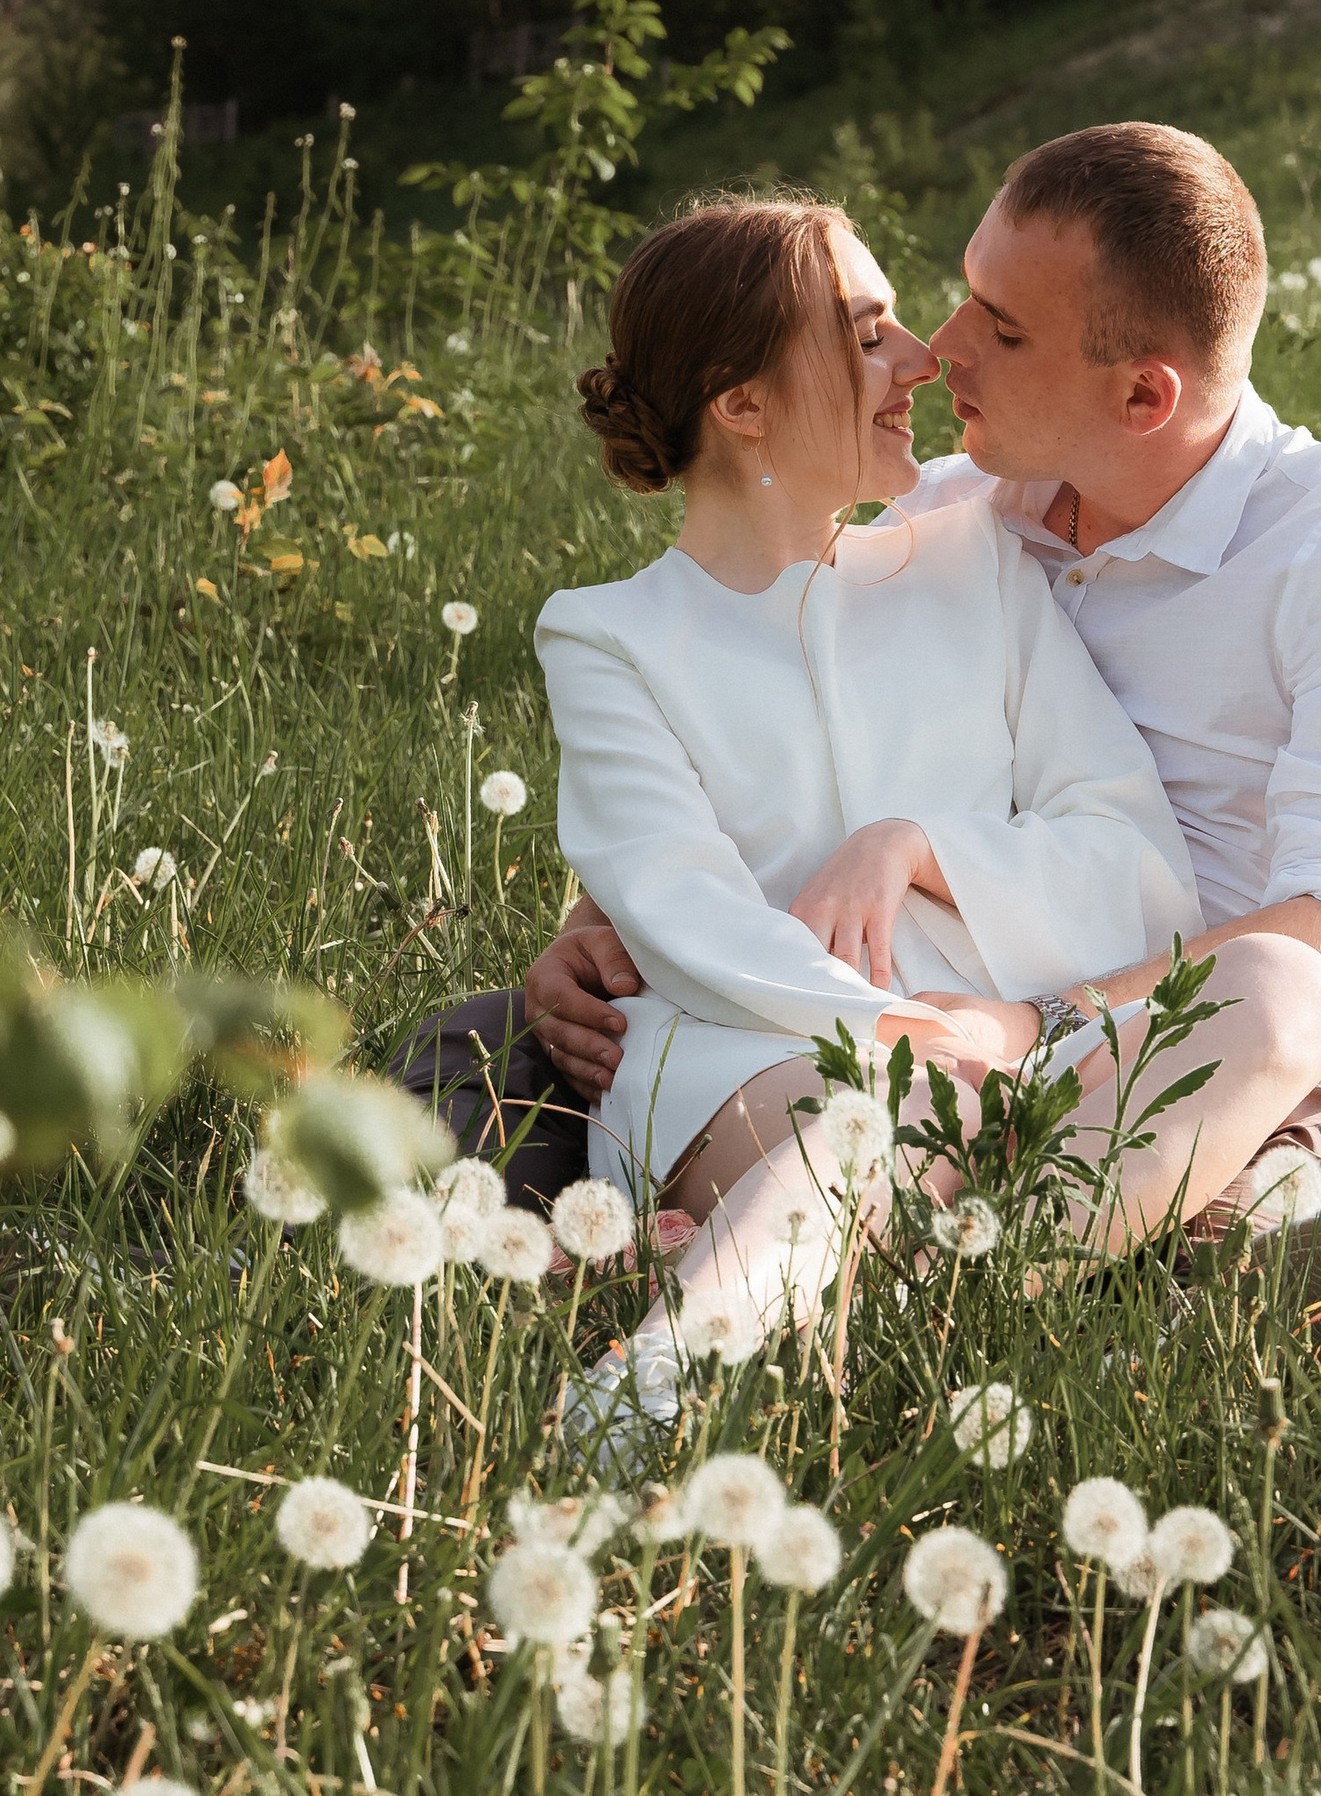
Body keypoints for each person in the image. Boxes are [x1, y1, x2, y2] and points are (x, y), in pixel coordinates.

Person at [475, 119, 1321, 1322]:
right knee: (480, 1048)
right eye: (954, 300)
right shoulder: (957, 514)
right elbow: (734, 724)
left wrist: (1022, 1014)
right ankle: (714, 1261)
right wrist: (602, 918)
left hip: (1194, 1018)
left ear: (1142, 394)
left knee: (1287, 1097)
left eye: (999, 329)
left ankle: (1218, 1255)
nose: (937, 350)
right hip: (889, 1010)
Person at [442, 190, 1220, 1450]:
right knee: (876, 1118)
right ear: (740, 404)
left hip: (996, 1055)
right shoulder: (609, 636)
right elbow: (676, 903)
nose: (922, 359)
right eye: (866, 336)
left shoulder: (977, 567)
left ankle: (679, 1336)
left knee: (929, 1128)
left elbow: (1139, 864)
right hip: (731, 1057)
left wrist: (922, 846)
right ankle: (645, 1396)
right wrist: (901, 1034)